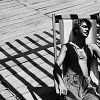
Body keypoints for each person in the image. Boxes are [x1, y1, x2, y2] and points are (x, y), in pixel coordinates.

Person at [53, 18, 100, 100]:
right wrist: (61, 83)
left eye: (88, 27)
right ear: (76, 29)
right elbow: (56, 67)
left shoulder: (92, 47)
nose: (87, 29)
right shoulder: (67, 47)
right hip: (70, 84)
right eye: (84, 27)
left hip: (87, 85)